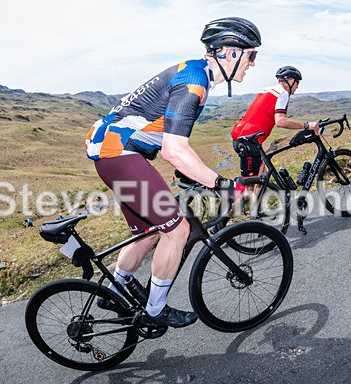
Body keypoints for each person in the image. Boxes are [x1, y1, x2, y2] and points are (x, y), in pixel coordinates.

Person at [85, 17, 259, 328]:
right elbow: (174, 149)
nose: (252, 64)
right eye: (251, 55)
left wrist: (193, 173)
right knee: (177, 231)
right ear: (231, 53)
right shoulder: (194, 82)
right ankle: (155, 311)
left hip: (114, 154)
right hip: (120, 154)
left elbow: (165, 138)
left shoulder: (194, 71)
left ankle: (115, 290)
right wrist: (223, 184)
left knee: (147, 233)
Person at [230, 66, 321, 177]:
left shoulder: (266, 90)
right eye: (297, 82)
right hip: (250, 141)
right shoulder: (283, 93)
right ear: (290, 80)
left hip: (240, 136)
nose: (297, 87)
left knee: (262, 178)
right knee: (250, 183)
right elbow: (280, 121)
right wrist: (307, 125)